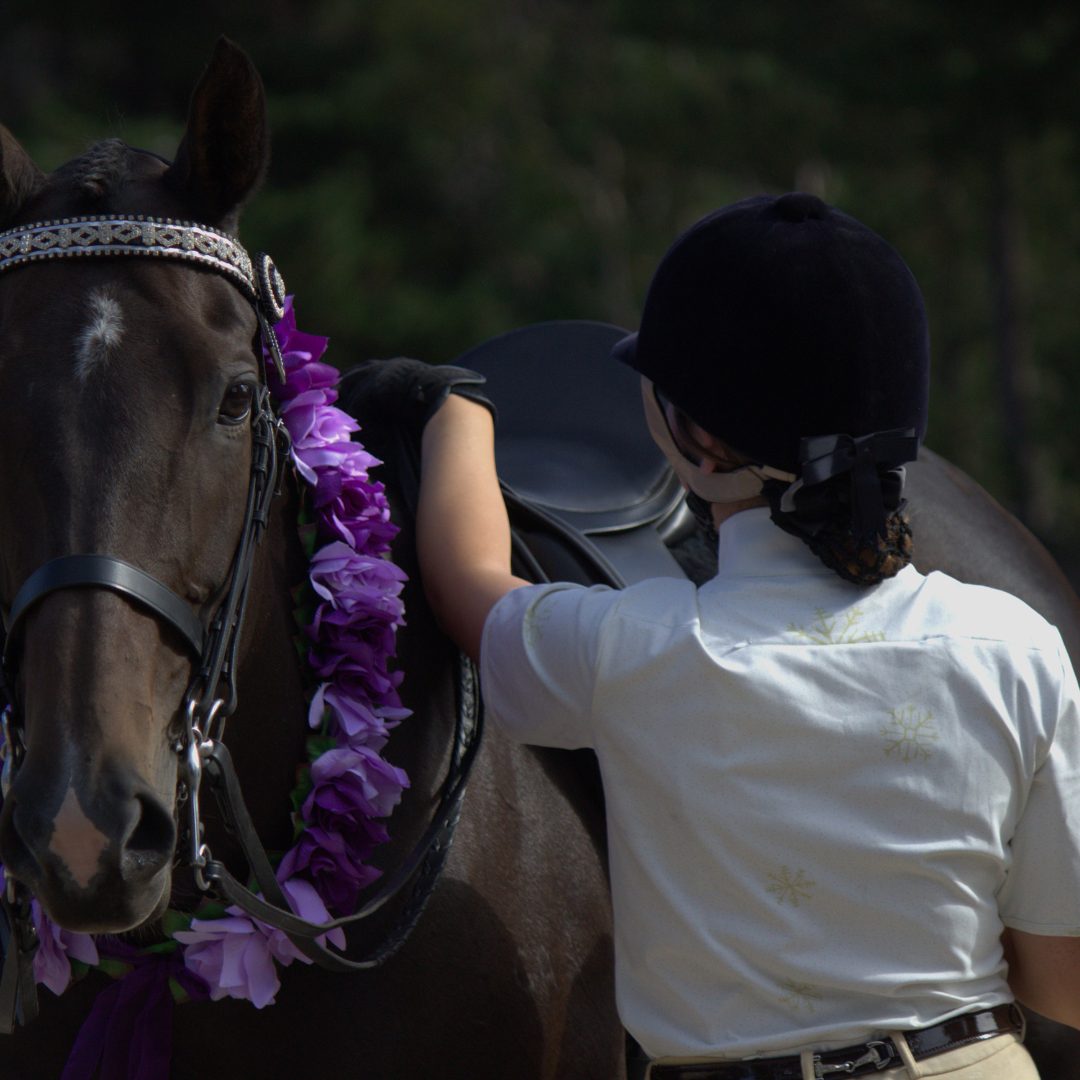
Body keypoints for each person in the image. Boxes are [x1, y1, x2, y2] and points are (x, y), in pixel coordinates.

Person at [355, 192, 1080, 1080]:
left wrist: (455, 409)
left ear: (698, 443)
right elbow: (1063, 982)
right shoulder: (1014, 643)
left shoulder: (637, 651)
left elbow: (467, 587)